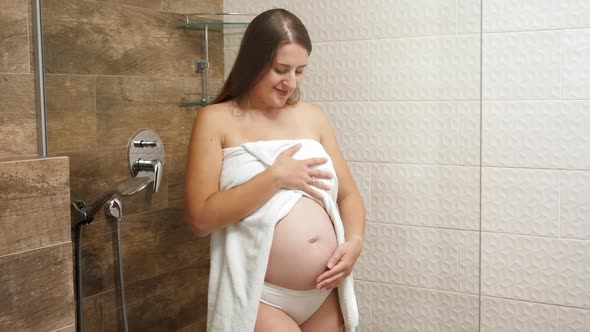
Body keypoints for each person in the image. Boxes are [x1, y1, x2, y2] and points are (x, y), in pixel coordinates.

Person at [184, 8, 365, 332]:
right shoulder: (216, 119)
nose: (290, 82)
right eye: (281, 69)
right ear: (253, 62)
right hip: (263, 297)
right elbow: (200, 219)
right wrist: (274, 177)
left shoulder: (313, 117)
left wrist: (354, 243)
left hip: (323, 294)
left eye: (299, 71)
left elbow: (349, 195)